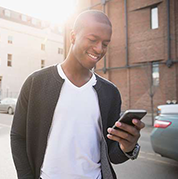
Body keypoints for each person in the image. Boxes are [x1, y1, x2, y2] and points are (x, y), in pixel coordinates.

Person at [10, 10, 145, 179]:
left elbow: (112, 156)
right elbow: (17, 136)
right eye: (93, 39)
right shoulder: (36, 83)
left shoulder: (110, 93)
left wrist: (128, 147)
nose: (99, 49)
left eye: (105, 44)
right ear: (73, 37)